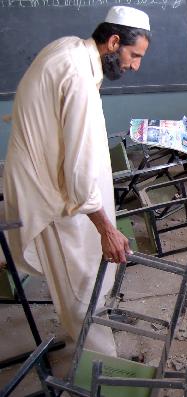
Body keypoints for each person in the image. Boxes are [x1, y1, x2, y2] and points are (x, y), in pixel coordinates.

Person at [2, 6, 151, 356]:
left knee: (86, 275)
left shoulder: (69, 48)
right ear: (114, 42)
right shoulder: (78, 75)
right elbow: (79, 167)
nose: (134, 66)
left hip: (55, 186)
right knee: (81, 285)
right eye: (134, 55)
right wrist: (106, 229)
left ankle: (91, 340)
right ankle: (102, 371)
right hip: (54, 197)